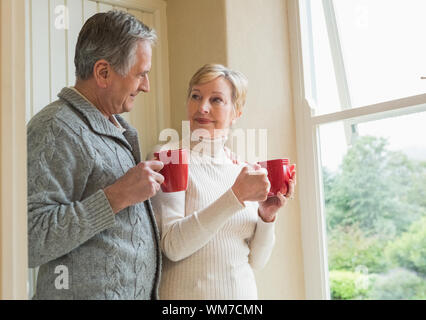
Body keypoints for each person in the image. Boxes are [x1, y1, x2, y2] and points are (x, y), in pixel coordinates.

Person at [27, 10, 165, 300]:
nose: (146, 86)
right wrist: (117, 196)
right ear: (103, 73)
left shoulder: (115, 127)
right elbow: (29, 239)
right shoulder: (56, 128)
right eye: (141, 74)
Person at [151, 64, 296, 299]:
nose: (202, 107)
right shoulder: (169, 157)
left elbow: (257, 261)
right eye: (195, 96)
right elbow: (172, 247)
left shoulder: (244, 169)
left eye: (216, 100)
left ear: (236, 112)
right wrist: (235, 197)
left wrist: (266, 217)